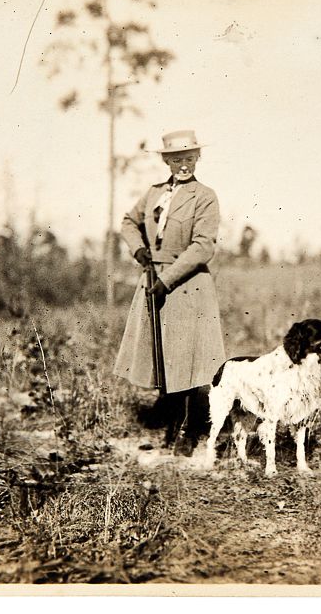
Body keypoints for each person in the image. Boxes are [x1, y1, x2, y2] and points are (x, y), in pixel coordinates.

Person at [113, 130, 226, 455]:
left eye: (189, 157)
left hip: (188, 284)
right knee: (162, 358)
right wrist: (139, 251)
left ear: (197, 158)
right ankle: (171, 427)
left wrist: (168, 279)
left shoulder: (205, 196)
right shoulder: (153, 193)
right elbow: (128, 222)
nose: (183, 164)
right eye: (177, 159)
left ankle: (190, 432)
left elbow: (203, 246)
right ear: (166, 160)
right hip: (153, 280)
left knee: (191, 359)